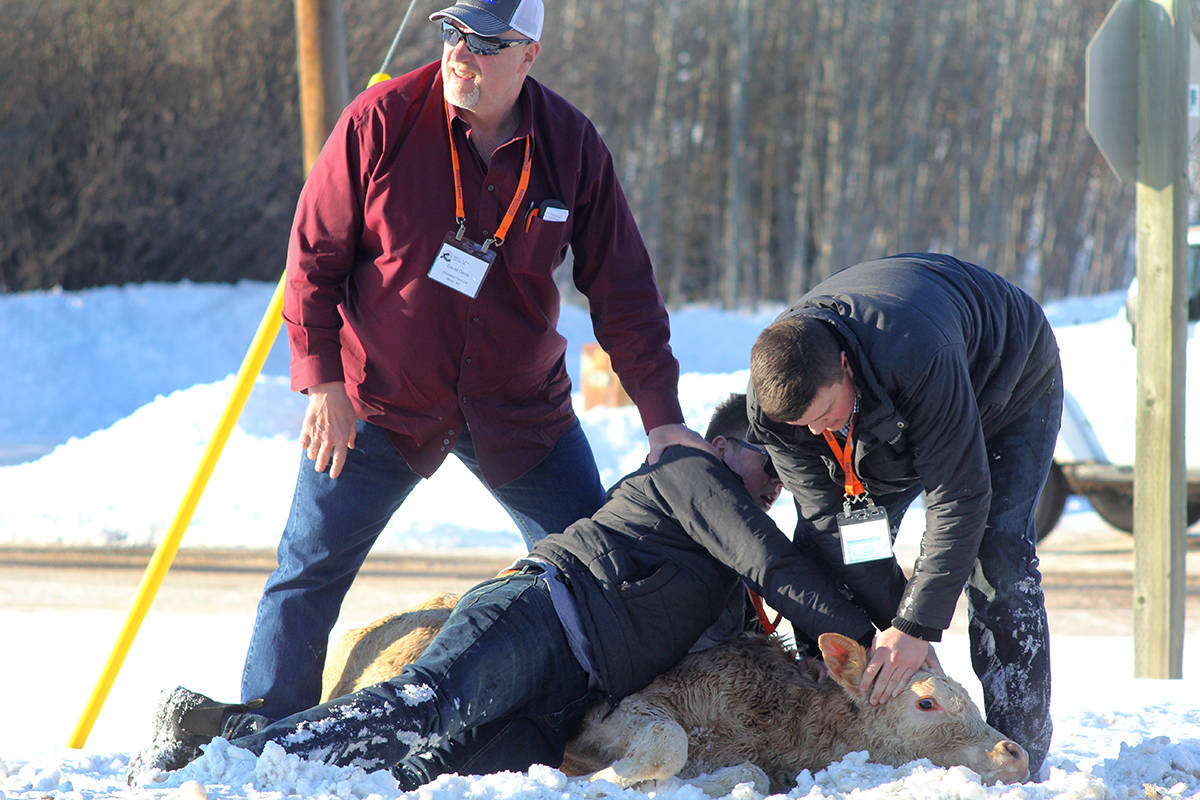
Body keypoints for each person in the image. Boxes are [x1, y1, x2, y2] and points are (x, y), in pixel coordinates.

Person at [246, 0, 712, 728]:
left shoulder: (571, 147)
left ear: (529, 54)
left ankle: (607, 726)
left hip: (518, 408)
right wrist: (323, 381)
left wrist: (663, 419)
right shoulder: (379, 123)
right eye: (453, 33)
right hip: (378, 399)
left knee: (594, 572)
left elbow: (623, 292)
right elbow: (313, 260)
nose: (461, 53)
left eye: (487, 42)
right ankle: (263, 736)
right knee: (306, 571)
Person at [129, 394, 877, 788]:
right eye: (769, 468)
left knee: (425, 773)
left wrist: (822, 654)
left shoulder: (721, 571)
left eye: (784, 479)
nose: (774, 490)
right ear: (720, 447)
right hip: (539, 615)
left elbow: (756, 623)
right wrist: (876, 644)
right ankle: (216, 771)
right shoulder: (693, 477)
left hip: (569, 691)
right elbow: (777, 564)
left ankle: (220, 737)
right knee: (420, 707)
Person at [745, 252, 1062, 776]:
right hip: (886, 412)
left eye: (825, 415)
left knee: (998, 557)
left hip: (1005, 382)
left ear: (844, 367)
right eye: (804, 426)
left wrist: (915, 627)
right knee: (832, 549)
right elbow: (830, 523)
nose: (818, 433)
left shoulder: (917, 356)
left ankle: (1018, 750)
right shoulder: (782, 409)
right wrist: (891, 636)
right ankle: (849, 737)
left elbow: (958, 500)